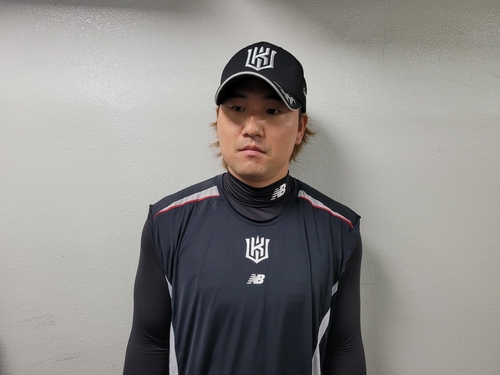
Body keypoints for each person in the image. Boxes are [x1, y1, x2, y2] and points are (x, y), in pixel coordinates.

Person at [123, 41, 366, 375]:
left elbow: (344, 346)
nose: (252, 127)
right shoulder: (167, 222)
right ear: (218, 120)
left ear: (299, 127)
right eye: (237, 109)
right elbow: (148, 341)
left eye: (272, 111)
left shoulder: (339, 230)